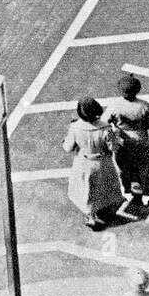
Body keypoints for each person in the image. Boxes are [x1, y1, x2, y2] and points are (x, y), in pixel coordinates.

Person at [63, 96, 123, 231]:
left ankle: (90, 215)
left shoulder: (75, 127)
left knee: (87, 190)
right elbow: (114, 147)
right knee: (106, 186)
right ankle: (106, 209)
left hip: (84, 163)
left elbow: (68, 148)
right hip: (102, 162)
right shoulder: (105, 128)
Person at [102, 75, 149, 204]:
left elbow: (105, 122)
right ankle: (143, 192)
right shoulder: (144, 106)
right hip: (140, 140)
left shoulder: (115, 105)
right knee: (142, 167)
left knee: (123, 166)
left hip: (122, 140)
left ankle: (126, 189)